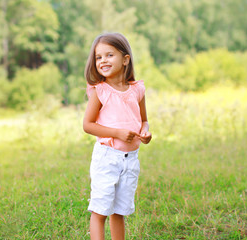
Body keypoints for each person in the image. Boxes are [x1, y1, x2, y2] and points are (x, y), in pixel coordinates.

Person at [83, 32, 152, 240]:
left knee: (119, 211)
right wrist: (117, 133)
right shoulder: (100, 91)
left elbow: (144, 120)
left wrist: (145, 132)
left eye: (109, 55)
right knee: (101, 209)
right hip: (107, 158)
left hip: (130, 161)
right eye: (98, 57)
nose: (103, 60)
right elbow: (88, 125)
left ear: (125, 59)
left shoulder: (136, 90)